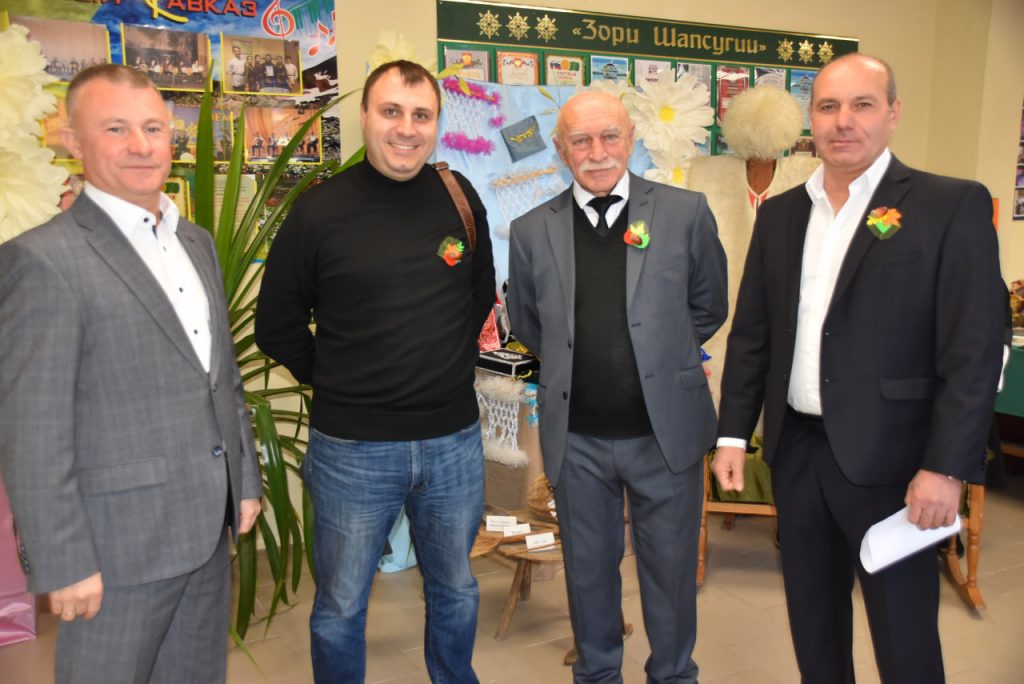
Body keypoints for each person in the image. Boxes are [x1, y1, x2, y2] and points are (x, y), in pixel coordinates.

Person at [712, 53, 1005, 683]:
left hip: (897, 468)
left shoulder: (948, 205)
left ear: (893, 114)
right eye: (828, 106)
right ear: (810, 121)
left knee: (904, 641)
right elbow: (754, 334)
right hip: (798, 456)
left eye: (862, 104)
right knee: (814, 628)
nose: (843, 121)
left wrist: (947, 467)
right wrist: (733, 434)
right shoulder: (783, 215)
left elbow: (974, 350)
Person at [0, 64, 262, 683]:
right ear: (74, 140)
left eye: (154, 128)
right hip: (116, 548)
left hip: (206, 529)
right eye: (115, 128)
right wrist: (63, 559)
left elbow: (221, 378)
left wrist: (244, 481)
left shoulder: (195, 243)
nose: (141, 146)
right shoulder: (41, 260)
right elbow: (32, 428)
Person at [254, 59, 495, 684]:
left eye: (421, 115)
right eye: (391, 112)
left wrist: (442, 366)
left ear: (436, 123)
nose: (406, 129)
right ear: (364, 115)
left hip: (453, 442)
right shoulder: (319, 212)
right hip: (352, 451)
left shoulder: (459, 199)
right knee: (340, 606)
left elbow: (477, 297)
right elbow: (276, 326)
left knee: (457, 588)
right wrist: (340, 381)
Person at [507, 90, 728, 684]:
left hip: (665, 436)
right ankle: (598, 674)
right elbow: (528, 322)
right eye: (580, 140)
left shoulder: (685, 212)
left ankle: (673, 675)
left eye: (610, 136)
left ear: (631, 140)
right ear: (561, 150)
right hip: (577, 440)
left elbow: (709, 305)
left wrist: (658, 356)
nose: (597, 152)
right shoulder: (530, 230)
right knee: (588, 573)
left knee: (671, 573)